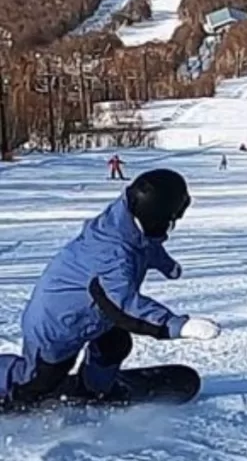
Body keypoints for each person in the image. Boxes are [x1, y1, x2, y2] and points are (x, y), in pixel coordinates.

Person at [0, 169, 221, 410]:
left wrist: (167, 265)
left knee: (114, 345)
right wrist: (177, 325)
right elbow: (124, 306)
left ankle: (93, 389)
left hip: (93, 313)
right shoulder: (110, 254)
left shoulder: (127, 222)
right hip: (57, 323)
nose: (172, 224)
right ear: (156, 215)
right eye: (171, 219)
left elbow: (146, 246)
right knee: (39, 379)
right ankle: (11, 387)